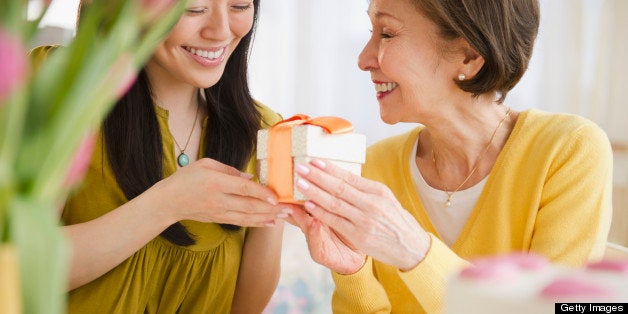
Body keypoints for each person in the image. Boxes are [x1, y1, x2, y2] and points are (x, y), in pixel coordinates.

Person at [288, 0, 613, 313]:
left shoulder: (568, 150)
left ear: (469, 56)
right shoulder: (374, 165)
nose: (363, 59)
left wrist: (414, 250)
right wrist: (354, 272)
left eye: (386, 33)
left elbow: (545, 311)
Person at [32, 0, 290, 313]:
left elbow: (243, 307)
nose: (221, 31)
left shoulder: (265, 130)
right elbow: (22, 269)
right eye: (194, 8)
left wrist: (277, 210)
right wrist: (168, 203)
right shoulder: (61, 86)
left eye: (239, 5)